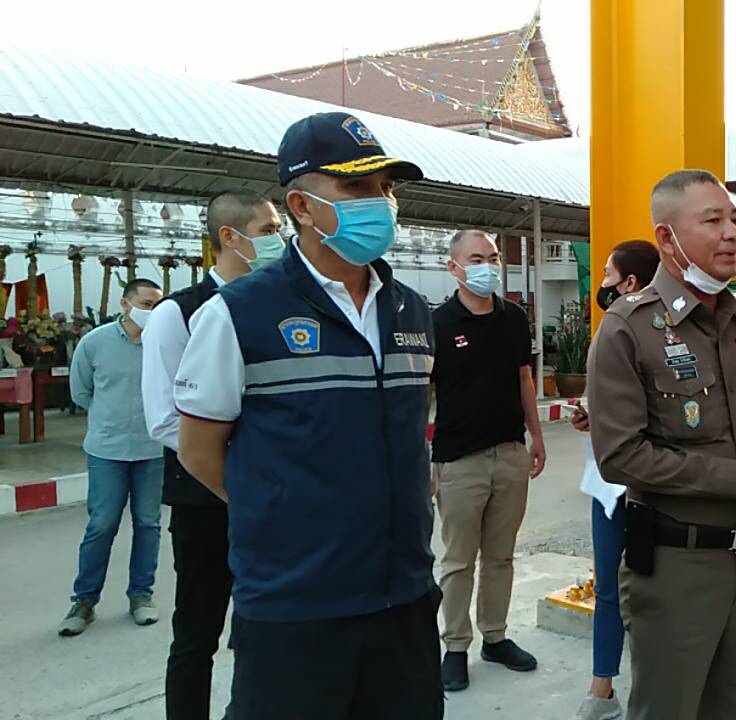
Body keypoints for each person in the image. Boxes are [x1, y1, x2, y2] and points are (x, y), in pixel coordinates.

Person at [174, 111, 442, 719]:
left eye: (386, 187)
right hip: (295, 611)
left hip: (404, 601)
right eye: (357, 186)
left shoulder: (411, 311)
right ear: (301, 206)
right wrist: (285, 516)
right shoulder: (238, 313)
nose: (382, 202)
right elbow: (198, 450)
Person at [587, 169, 736, 720]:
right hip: (677, 566)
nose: (732, 234)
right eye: (713, 220)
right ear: (667, 237)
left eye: (734, 219)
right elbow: (619, 455)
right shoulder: (628, 328)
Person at [141, 189, 284, 720]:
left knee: (266, 627)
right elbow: (165, 419)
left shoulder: (279, 305)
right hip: (206, 498)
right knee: (197, 632)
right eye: (269, 231)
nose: (279, 241)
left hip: (275, 496)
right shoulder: (177, 313)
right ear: (229, 236)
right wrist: (235, 480)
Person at [431, 228, 546, 692]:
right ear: (453, 267)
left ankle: (494, 637)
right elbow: (424, 394)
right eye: (476, 259)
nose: (487, 266)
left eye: (493, 257)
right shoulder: (437, 323)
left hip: (510, 453)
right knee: (459, 560)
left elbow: (524, 378)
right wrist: (425, 458)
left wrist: (536, 436)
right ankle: (455, 646)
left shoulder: (513, 318)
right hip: (459, 460)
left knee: (500, 555)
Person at [569, 240, 661, 720]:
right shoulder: (607, 333)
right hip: (609, 487)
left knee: (651, 592)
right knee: (608, 586)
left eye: (607, 274)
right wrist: (594, 418)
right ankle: (601, 689)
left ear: (629, 282)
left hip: (653, 487)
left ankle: (655, 691)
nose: (601, 284)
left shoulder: (666, 337)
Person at [59, 278, 166, 637]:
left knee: (148, 524)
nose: (152, 311)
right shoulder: (95, 342)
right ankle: (84, 600)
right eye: (146, 304)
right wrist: (110, 418)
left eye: (157, 305)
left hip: (152, 450)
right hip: (107, 450)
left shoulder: (164, 342)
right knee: (102, 523)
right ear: (125, 303)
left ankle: (141, 595)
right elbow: (80, 392)